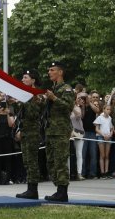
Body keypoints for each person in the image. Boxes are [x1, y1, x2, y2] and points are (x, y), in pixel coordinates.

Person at [44, 61, 74, 202]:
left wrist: (54, 98)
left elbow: (68, 107)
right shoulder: (53, 89)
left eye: (52, 70)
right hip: (50, 130)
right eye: (49, 70)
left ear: (60, 72)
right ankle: (58, 189)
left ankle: (62, 192)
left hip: (61, 130)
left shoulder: (66, 89)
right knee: (51, 161)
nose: (49, 72)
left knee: (60, 161)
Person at [16, 69, 44, 199]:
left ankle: (33, 190)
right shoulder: (26, 95)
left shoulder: (36, 95)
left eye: (26, 77)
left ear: (33, 80)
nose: (23, 80)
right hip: (25, 131)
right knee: (26, 161)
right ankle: (30, 189)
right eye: (23, 78)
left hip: (33, 132)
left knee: (32, 162)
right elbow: (22, 116)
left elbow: (33, 114)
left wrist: (24, 101)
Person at [93, 105, 114, 179]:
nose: (109, 111)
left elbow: (111, 128)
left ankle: (106, 171)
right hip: (101, 137)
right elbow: (97, 129)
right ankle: (102, 173)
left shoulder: (110, 118)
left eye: (110, 109)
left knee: (107, 155)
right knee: (102, 155)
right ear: (104, 109)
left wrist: (110, 135)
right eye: (107, 109)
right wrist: (103, 135)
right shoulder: (100, 117)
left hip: (108, 137)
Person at [70, 93, 86, 181]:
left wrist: (71, 106)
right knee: (67, 154)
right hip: (69, 133)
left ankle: (79, 173)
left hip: (78, 132)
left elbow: (79, 115)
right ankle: (68, 174)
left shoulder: (77, 107)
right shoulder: (65, 108)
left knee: (79, 153)